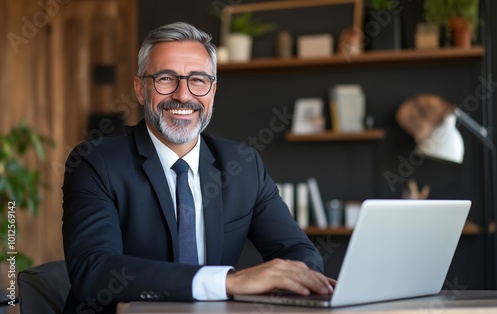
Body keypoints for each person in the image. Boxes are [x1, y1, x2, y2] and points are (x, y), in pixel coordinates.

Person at [62, 21, 335, 313]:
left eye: (198, 80)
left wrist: (294, 279)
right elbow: (94, 271)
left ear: (213, 91)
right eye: (166, 78)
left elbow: (299, 253)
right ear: (140, 89)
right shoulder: (95, 162)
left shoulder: (243, 164)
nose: (183, 95)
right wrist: (227, 282)